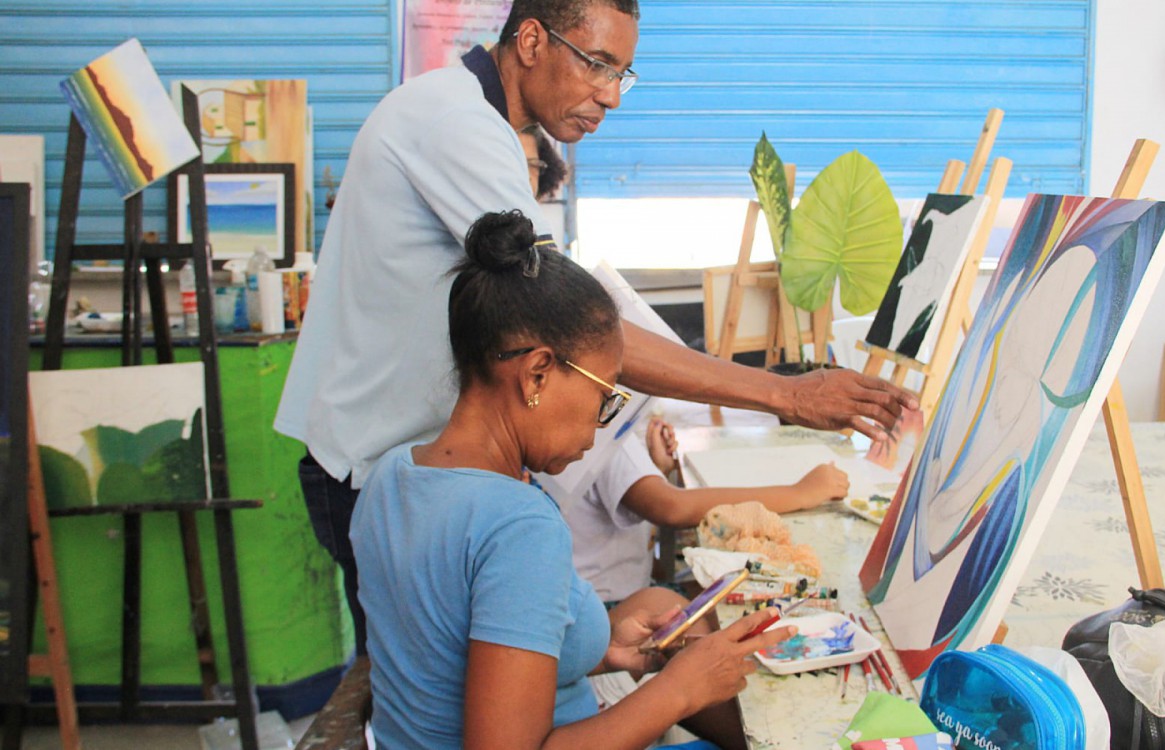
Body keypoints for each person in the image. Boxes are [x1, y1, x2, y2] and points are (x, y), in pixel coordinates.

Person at [276, 0, 916, 655]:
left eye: (623, 74)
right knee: (437, 699)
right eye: (596, 65)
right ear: (530, 40)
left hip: (403, 468)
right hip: (374, 472)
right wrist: (783, 393)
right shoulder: (457, 124)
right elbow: (568, 323)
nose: (610, 96)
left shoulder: (461, 112)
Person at [350, 209, 792, 749]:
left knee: (658, 606)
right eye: (603, 395)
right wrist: (678, 691)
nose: (601, 420)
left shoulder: (391, 475)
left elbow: (443, 653)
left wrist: (600, 652)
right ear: (536, 373)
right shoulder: (518, 526)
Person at [566, 416, 849, 603]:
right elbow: (672, 507)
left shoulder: (595, 425)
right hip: (608, 608)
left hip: (606, 595)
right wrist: (799, 492)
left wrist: (654, 472)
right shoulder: (603, 430)